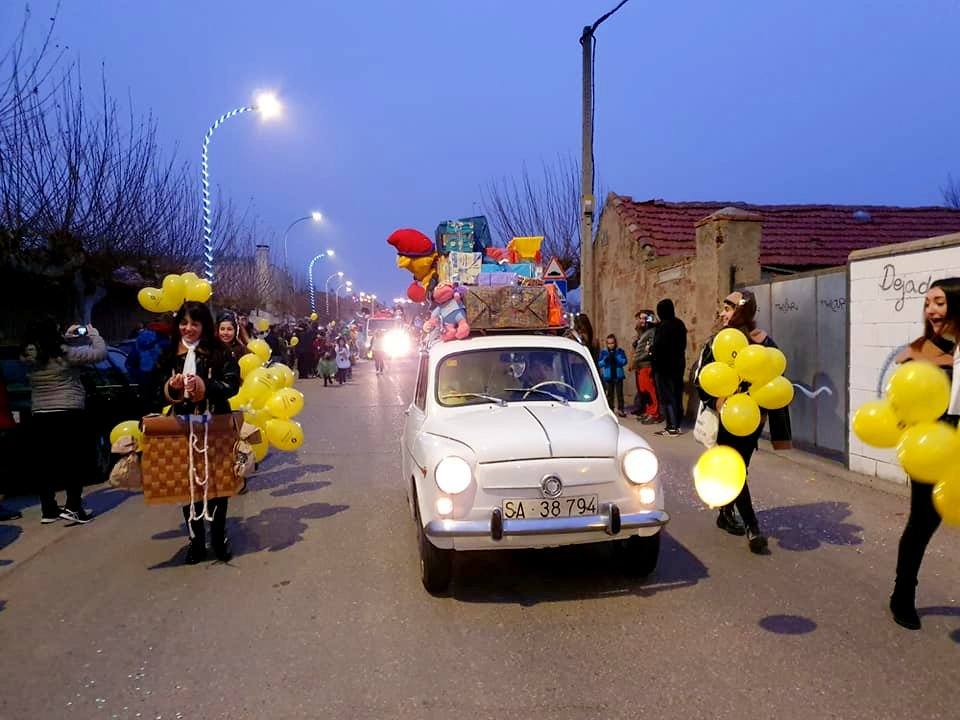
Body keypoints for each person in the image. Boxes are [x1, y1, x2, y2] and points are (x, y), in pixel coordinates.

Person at [695, 290, 792, 554]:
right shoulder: (719, 342)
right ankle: (753, 528)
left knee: (740, 468)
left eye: (727, 308)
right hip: (727, 419)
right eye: (723, 308)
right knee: (734, 468)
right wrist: (717, 402)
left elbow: (776, 383)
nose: (722, 313)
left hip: (753, 420)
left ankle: (725, 514)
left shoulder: (765, 343)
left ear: (742, 311)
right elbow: (700, 377)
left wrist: (779, 432)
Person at [889, 277, 960, 630]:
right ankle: (903, 593)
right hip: (932, 448)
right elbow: (901, 404)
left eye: (940, 302)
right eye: (928, 302)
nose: (931, 309)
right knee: (923, 522)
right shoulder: (919, 351)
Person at [152, 302, 241, 564]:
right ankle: (195, 540)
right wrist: (171, 387)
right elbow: (154, 389)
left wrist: (206, 386)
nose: (188, 329)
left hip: (214, 426)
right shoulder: (169, 354)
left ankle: (218, 537)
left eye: (194, 323)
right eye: (184, 323)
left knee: (217, 484)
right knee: (189, 485)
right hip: (182, 426)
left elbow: (232, 385)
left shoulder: (219, 352)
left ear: (204, 326)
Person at [20, 318, 107, 524]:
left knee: (46, 463)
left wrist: (66, 337)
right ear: (53, 334)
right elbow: (100, 353)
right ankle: (74, 507)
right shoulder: (65, 354)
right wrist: (93, 334)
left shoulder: (28, 355)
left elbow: (49, 345)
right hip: (68, 410)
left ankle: (48, 509)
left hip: (40, 412)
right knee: (73, 460)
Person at [651, 298, 687, 436]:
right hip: (678, 364)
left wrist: (652, 352)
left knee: (667, 397)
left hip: (664, 367)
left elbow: (659, 347)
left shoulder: (664, 326)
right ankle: (677, 423)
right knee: (676, 395)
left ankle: (671, 426)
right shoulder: (679, 324)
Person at [630, 310, 661, 424]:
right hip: (640, 364)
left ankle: (654, 413)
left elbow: (648, 348)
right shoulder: (642, 332)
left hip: (646, 363)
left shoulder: (651, 331)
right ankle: (649, 411)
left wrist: (637, 359)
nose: (641, 320)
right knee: (644, 391)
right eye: (640, 318)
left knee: (649, 390)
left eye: (644, 318)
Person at [598, 334, 628, 417]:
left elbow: (624, 361)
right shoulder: (603, 352)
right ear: (606, 343)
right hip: (609, 376)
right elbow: (599, 364)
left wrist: (616, 358)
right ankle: (610, 409)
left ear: (615, 343)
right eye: (609, 343)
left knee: (619, 394)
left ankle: (621, 409)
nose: (611, 345)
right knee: (610, 394)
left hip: (618, 376)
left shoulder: (620, 351)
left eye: (612, 343)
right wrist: (605, 360)